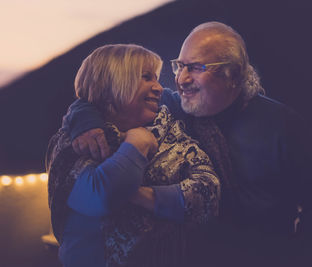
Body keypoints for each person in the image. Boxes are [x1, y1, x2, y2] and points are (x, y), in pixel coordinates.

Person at [63, 22, 312, 266]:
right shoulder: (173, 108)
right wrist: (86, 120)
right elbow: (100, 96)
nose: (181, 79)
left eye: (195, 67)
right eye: (179, 66)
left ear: (233, 74)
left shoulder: (284, 126)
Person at [46, 44, 220, 267]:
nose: (159, 87)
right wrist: (136, 145)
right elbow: (100, 196)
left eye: (156, 78)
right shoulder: (78, 140)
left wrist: (143, 196)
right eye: (146, 78)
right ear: (112, 82)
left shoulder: (172, 131)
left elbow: (209, 191)